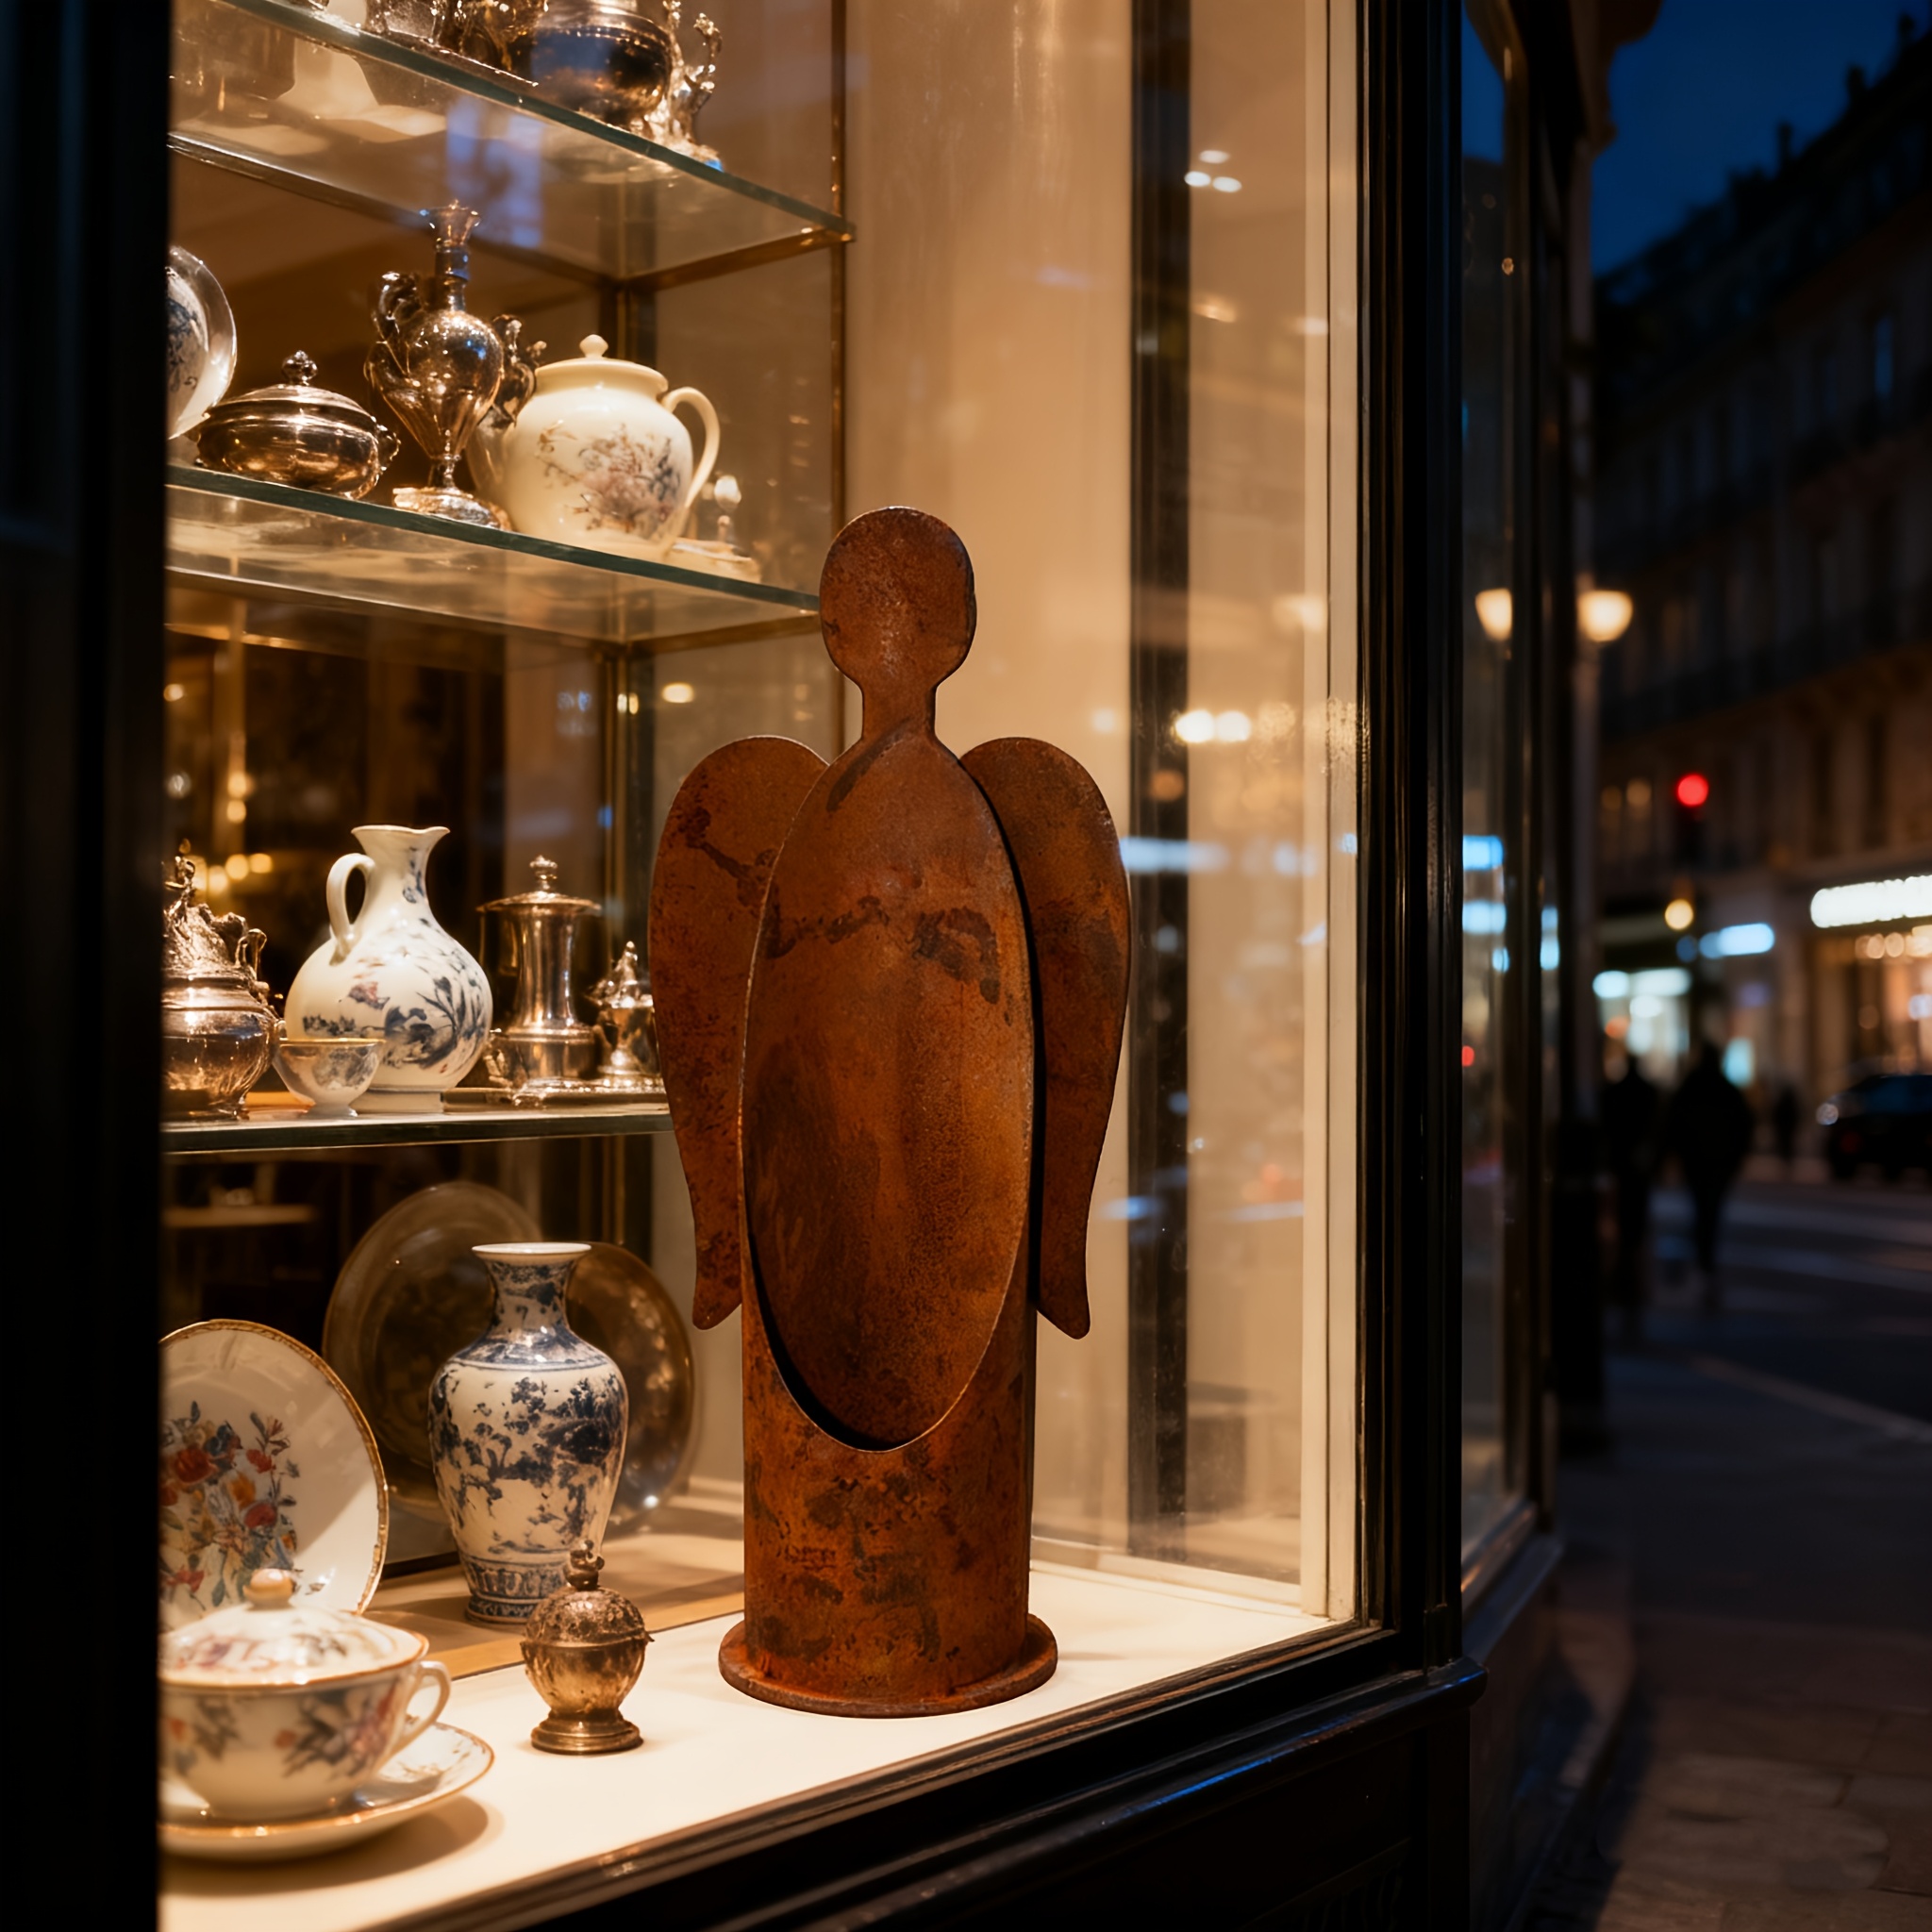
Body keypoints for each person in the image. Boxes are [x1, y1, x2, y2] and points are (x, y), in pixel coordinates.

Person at [1661, 1041, 1756, 1312]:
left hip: (1698, 1163)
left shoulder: (1691, 1087)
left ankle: (1701, 1260)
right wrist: (1737, 1157)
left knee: (1703, 1210)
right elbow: (1744, 1125)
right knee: (1710, 1212)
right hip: (1718, 1164)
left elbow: (1672, 1122)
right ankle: (1705, 1261)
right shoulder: (1726, 1089)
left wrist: (1669, 1156)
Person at [1600, 1044, 1660, 1340]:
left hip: (1622, 1169)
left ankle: (1624, 1283)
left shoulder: (1615, 1093)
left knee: (1625, 1230)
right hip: (1637, 1171)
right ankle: (1630, 1286)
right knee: (1634, 1230)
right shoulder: (1647, 1093)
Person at [1772, 1081, 1801, 1169]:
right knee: (1788, 1143)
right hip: (1788, 1127)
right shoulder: (1791, 1103)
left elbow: (1776, 1114)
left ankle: (1785, 1158)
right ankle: (1787, 1159)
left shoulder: (1782, 1102)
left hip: (1784, 1127)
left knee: (1784, 1143)